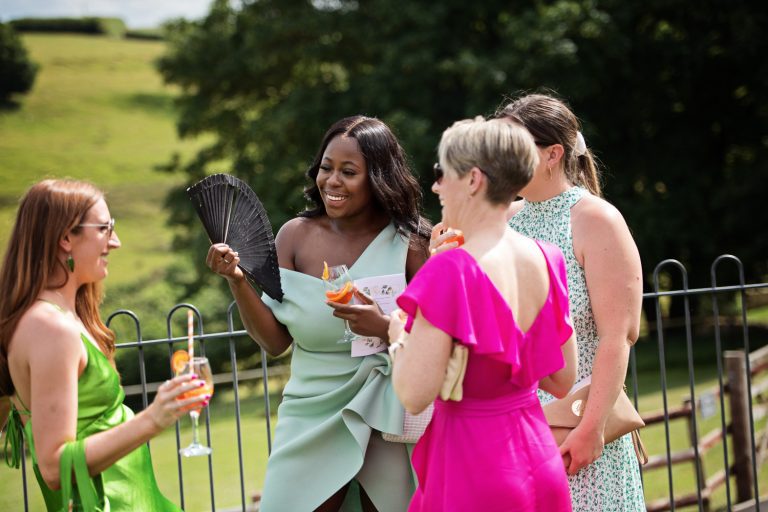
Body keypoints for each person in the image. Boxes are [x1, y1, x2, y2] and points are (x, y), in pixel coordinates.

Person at [206, 115, 431, 512]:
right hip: (310, 412)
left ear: (378, 177)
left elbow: (437, 340)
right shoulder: (294, 236)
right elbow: (275, 342)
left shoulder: (411, 244)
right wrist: (239, 280)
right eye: (327, 168)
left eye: (349, 172)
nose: (332, 181)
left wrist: (383, 327)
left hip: (386, 413)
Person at [388, 117, 578, 511]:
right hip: (540, 464)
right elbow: (562, 379)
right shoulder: (548, 258)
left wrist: (398, 338)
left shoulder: (449, 271)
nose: (436, 186)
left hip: (473, 470)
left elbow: (413, 395)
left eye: (442, 172)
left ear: (473, 180)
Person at [0, 179, 206, 511]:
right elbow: (54, 467)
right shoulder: (50, 328)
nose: (116, 241)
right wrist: (154, 417)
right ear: (66, 238)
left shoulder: (62, 317)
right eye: (105, 229)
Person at [497, 93, 645, 510]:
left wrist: (592, 429)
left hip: (579, 424)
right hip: (515, 431)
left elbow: (619, 336)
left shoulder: (595, 219)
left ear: (552, 154)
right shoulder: (504, 220)